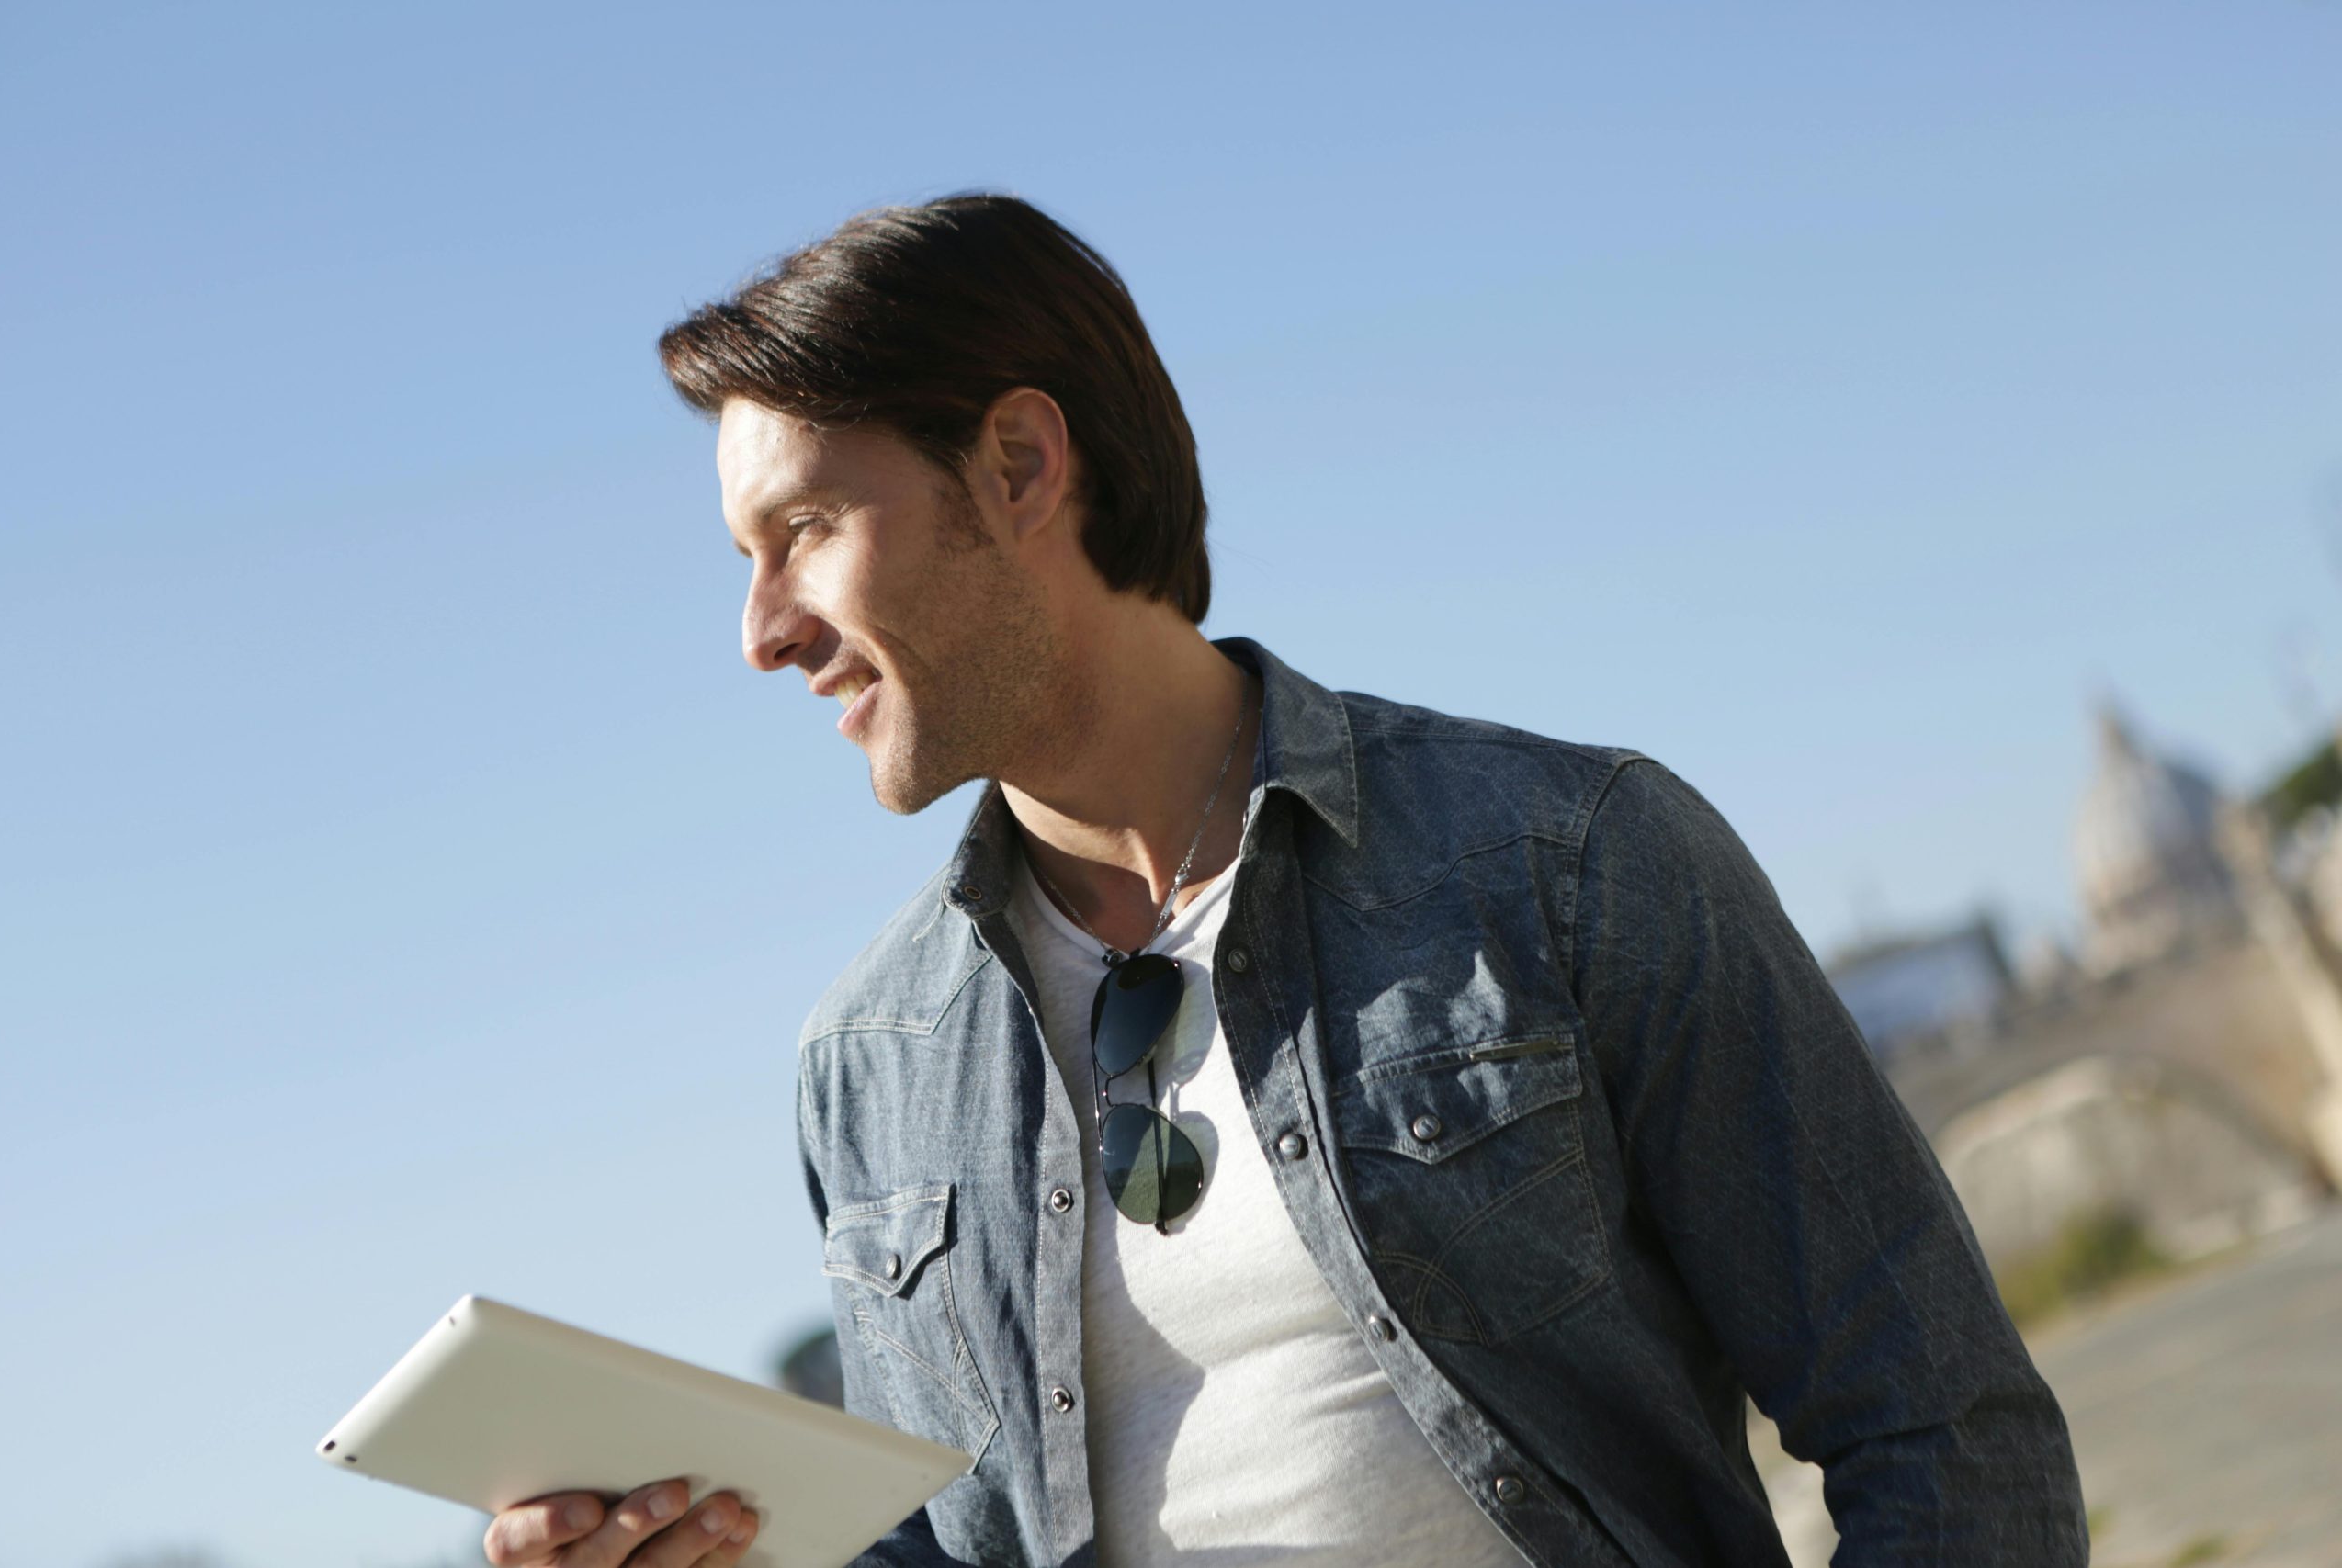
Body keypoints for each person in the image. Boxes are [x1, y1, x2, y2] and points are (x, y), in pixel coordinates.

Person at [482, 194, 2087, 1568]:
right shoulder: (869, 1070)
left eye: (808, 528)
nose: (762, 629)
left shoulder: (1573, 860)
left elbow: (1942, 1425)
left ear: (1023, 465)